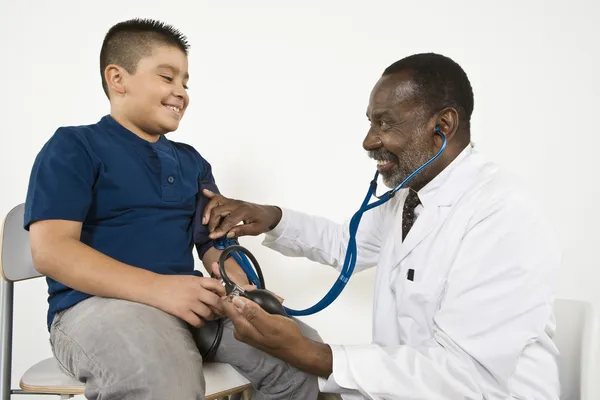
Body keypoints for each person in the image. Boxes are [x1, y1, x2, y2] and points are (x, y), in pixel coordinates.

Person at [201, 53, 562, 400]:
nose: (369, 141)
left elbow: (468, 377)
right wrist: (272, 217)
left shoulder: (500, 214)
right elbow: (346, 245)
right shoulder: (409, 199)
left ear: (443, 125)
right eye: (371, 122)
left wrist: (312, 354)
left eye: (385, 123)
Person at [23, 18, 320, 400]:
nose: (181, 91)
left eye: (185, 82)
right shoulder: (73, 147)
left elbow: (215, 246)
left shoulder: (192, 163)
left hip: (186, 304)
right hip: (96, 308)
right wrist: (159, 289)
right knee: (160, 376)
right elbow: (51, 250)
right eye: (167, 77)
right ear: (118, 79)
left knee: (299, 352)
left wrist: (243, 290)